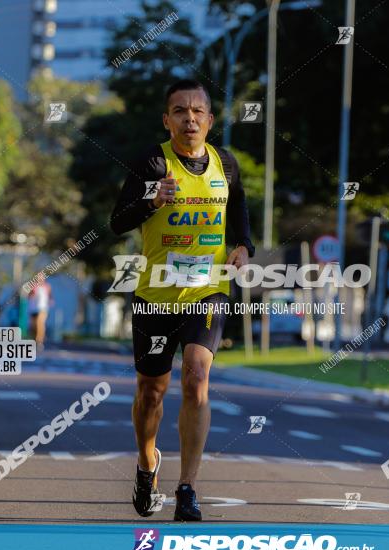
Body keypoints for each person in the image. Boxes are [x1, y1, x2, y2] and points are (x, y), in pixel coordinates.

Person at [110, 79, 255, 522]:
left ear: (210, 121)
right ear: (167, 120)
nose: (189, 119)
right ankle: (146, 462)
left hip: (207, 290)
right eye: (179, 111)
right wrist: (152, 199)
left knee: (196, 377)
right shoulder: (152, 162)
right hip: (156, 293)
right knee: (151, 392)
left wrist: (243, 246)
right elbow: (118, 221)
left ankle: (188, 487)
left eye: (197, 112)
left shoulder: (225, 164)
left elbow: (239, 209)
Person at [28, 274, 52, 350]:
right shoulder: (33, 286)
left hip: (43, 308)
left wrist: (50, 301)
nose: (40, 279)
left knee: (40, 323)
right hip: (33, 309)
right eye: (38, 278)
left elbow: (50, 296)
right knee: (33, 326)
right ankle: (35, 340)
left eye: (41, 277)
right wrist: (32, 293)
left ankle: (39, 341)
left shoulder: (47, 286)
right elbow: (28, 296)